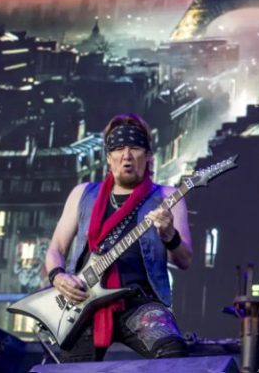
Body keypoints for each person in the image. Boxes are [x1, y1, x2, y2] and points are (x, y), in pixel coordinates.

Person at [44, 113, 193, 362]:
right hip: (83, 302)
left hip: (140, 302)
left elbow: (185, 259)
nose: (126, 155)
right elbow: (56, 248)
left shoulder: (168, 197)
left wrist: (170, 235)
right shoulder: (82, 194)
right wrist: (58, 276)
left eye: (135, 147)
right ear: (108, 158)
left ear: (148, 156)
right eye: (118, 148)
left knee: (171, 352)